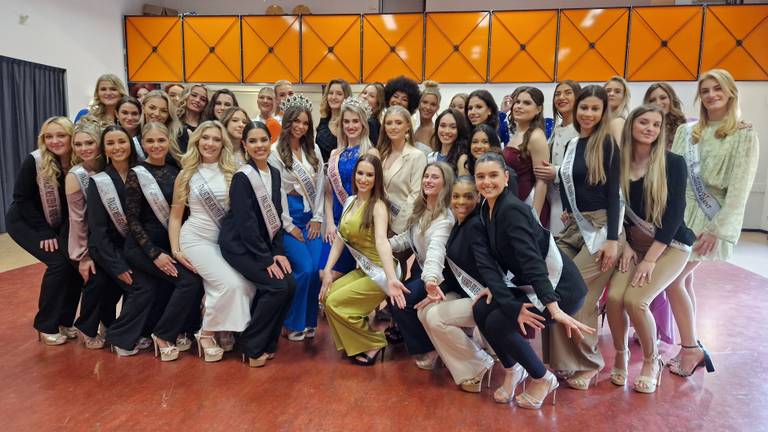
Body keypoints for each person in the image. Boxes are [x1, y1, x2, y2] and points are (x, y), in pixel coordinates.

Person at [472, 152, 593, 409]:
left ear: (506, 177)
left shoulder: (513, 210)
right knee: (481, 309)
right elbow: (489, 263)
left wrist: (553, 307)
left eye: (493, 175)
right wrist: (499, 292)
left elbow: (532, 261)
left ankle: (542, 378)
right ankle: (513, 370)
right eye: (480, 177)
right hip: (533, 284)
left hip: (560, 288)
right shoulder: (486, 208)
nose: (487, 182)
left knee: (498, 322)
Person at [668, 69, 758, 377]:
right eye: (704, 90)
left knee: (672, 281)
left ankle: (690, 349)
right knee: (685, 281)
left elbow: (739, 191)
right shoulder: (687, 132)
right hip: (680, 217)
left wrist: (717, 229)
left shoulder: (744, 135)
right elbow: (674, 177)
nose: (710, 95)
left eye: (717, 89)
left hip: (710, 220)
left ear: (731, 93)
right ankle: (689, 340)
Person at [606, 105, 696, 393]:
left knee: (636, 301)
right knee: (615, 298)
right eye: (644, 122)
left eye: (656, 125)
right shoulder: (617, 162)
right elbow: (611, 208)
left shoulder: (673, 163)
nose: (650, 128)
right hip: (633, 245)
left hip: (670, 246)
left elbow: (674, 216)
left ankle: (650, 360)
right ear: (631, 125)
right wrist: (625, 244)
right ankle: (620, 357)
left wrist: (650, 260)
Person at [548, 85, 624, 390]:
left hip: (602, 229)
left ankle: (591, 363)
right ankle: (565, 362)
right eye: (584, 108)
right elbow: (569, 181)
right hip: (575, 228)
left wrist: (613, 239)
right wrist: (567, 208)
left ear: (604, 112)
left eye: (595, 109)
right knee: (552, 284)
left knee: (579, 294)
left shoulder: (607, 144)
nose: (588, 114)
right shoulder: (573, 144)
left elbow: (614, 193)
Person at [108, 122, 204, 361]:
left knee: (169, 285)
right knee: (188, 281)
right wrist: (154, 254)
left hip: (169, 245)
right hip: (142, 248)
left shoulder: (175, 170)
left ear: (168, 142)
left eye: (161, 140)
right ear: (142, 143)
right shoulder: (136, 173)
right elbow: (132, 220)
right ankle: (163, 335)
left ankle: (168, 330)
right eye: (150, 141)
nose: (156, 145)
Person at [169, 120, 255, 362]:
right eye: (205, 138)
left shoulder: (232, 172)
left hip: (224, 242)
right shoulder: (186, 175)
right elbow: (175, 217)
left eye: (216, 139)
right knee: (230, 284)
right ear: (197, 141)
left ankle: (224, 328)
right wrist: (175, 249)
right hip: (196, 240)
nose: (210, 143)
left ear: (223, 143)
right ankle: (206, 334)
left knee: (247, 284)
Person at [220, 121, 297, 367]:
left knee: (291, 284)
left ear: (270, 141)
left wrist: (279, 253)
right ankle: (251, 346)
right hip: (239, 246)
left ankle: (268, 342)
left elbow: (274, 216)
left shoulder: (274, 173)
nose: (259, 145)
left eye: (263, 140)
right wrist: (266, 260)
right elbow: (246, 224)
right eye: (252, 141)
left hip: (262, 245)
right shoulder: (243, 177)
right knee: (276, 287)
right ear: (244, 145)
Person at [319, 154, 408, 365]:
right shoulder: (350, 201)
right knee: (326, 296)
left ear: (377, 179)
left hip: (381, 273)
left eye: (370, 175)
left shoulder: (378, 206)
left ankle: (373, 342)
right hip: (365, 270)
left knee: (335, 302)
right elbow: (340, 238)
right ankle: (356, 343)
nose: (364, 179)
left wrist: (390, 277)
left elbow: (381, 242)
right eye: (360, 173)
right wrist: (328, 272)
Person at [416, 177, 500, 392]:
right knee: (425, 310)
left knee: (435, 317)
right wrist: (437, 290)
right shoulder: (458, 223)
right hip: (465, 292)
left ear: (478, 197)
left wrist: (495, 288)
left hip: (487, 298)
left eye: (468, 196)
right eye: (456, 196)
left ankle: (476, 366)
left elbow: (488, 266)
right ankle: (471, 359)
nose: (461, 201)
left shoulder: (476, 226)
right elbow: (454, 271)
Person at [6, 117, 83, 345]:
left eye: (61, 136)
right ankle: (46, 324)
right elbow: (21, 198)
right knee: (59, 263)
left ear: (71, 137)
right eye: (49, 136)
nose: (55, 141)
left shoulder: (79, 161)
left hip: (57, 223)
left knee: (74, 262)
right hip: (26, 221)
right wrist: (44, 233)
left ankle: (65, 321)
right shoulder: (36, 161)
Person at [267, 94, 324, 341]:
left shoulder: (314, 150)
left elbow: (321, 185)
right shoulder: (274, 152)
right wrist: (289, 226)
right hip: (289, 217)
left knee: (315, 272)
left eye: (305, 123)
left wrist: (319, 217)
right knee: (304, 268)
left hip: (312, 215)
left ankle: (309, 321)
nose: (300, 127)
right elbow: (276, 191)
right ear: (287, 122)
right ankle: (291, 322)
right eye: (296, 122)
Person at [387, 162, 455, 369]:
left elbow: (435, 253)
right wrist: (383, 244)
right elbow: (407, 239)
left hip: (440, 276)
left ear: (445, 183)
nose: (428, 180)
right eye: (426, 176)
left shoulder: (445, 218)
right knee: (394, 294)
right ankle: (427, 343)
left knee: (401, 301)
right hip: (423, 271)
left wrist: (431, 281)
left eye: (435, 177)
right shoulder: (422, 209)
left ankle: (430, 349)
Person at [89, 126, 140, 355]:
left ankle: (136, 330)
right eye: (110, 143)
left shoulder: (142, 173)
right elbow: (98, 230)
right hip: (109, 249)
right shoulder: (99, 181)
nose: (117, 147)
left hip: (137, 247)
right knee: (138, 285)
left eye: (122, 141)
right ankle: (119, 333)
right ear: (104, 149)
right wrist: (117, 265)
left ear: (130, 144)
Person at [320, 97, 378, 282]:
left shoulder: (370, 153)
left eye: (355, 121)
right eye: (346, 121)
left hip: (357, 221)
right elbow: (329, 193)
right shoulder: (334, 154)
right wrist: (329, 223)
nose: (351, 126)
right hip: (335, 220)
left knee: (341, 275)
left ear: (363, 123)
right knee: (323, 273)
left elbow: (375, 193)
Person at [65, 123, 106, 348]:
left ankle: (107, 323)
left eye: (89, 142)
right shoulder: (75, 175)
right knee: (96, 280)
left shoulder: (107, 166)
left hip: (109, 237)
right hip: (89, 242)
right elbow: (77, 220)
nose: (84, 148)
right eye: (78, 144)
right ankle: (86, 326)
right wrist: (83, 256)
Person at [534, 80, 582, 234]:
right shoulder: (557, 127)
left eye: (568, 93)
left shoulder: (583, 129)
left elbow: (585, 166)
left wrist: (556, 171)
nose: (561, 97)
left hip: (573, 199)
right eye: (558, 94)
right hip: (553, 196)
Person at [503, 86, 550, 227]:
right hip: (515, 202)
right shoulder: (517, 133)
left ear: (539, 109)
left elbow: (542, 181)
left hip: (529, 204)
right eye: (517, 102)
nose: (519, 106)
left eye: (527, 103)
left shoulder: (536, 136)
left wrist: (534, 217)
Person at [379, 105, 428, 235]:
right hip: (379, 222)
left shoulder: (417, 156)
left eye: (398, 123)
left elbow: (415, 196)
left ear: (408, 126)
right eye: (389, 123)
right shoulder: (381, 153)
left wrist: (396, 230)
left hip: (402, 228)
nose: (393, 127)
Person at [458, 124, 518, 194]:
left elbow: (512, 203)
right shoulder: (467, 167)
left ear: (493, 144)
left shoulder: (507, 173)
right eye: (475, 142)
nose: (479, 146)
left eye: (485, 142)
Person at [315, 79, 352, 161]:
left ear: (346, 97)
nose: (333, 97)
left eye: (339, 94)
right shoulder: (323, 121)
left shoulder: (349, 124)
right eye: (330, 93)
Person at [140, 90, 186, 155]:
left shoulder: (179, 134)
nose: (157, 114)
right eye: (152, 108)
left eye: (163, 111)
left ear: (169, 114)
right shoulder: (136, 134)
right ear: (143, 108)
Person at [644, 82, 687, 150]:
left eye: (663, 98)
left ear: (671, 99)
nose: (658, 103)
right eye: (652, 100)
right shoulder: (642, 127)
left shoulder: (683, 127)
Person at [427, 108, 469, 173]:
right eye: (442, 126)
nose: (447, 131)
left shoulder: (463, 159)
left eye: (453, 127)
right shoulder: (430, 157)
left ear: (460, 130)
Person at [414, 81, 441, 155]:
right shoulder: (415, 128)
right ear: (418, 103)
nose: (428, 107)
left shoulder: (435, 132)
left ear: (437, 108)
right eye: (425, 102)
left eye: (433, 104)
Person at [604, 75, 631, 144]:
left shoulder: (617, 122)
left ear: (624, 96)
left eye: (617, 91)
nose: (611, 94)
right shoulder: (603, 120)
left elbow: (619, 153)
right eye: (608, 91)